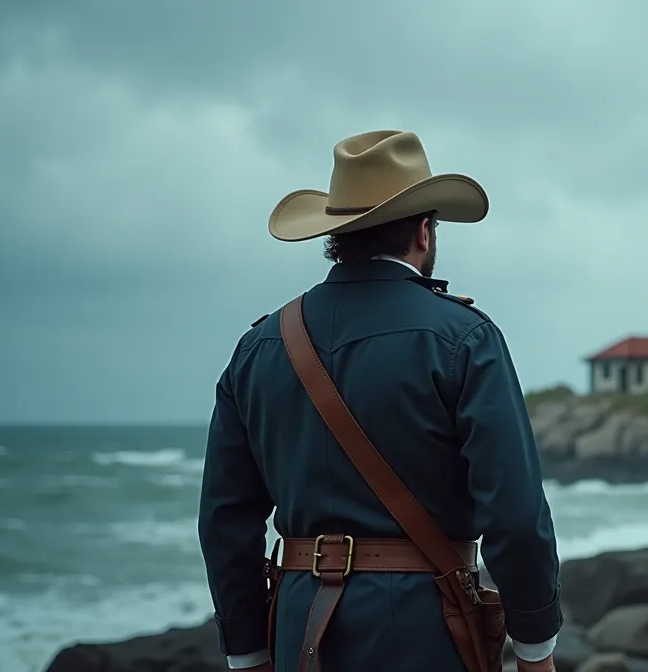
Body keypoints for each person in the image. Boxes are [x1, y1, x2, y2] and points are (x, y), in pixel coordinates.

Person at [197, 130, 562, 671]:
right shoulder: (464, 338)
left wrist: (248, 651)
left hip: (299, 632)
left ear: (337, 234)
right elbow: (514, 512)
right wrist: (535, 647)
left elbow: (225, 519)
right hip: (428, 629)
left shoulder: (258, 347)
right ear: (423, 230)